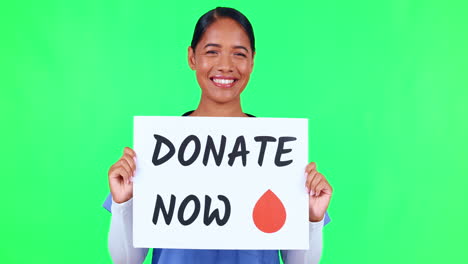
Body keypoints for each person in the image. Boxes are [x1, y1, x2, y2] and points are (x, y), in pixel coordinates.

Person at [103, 7, 333, 264]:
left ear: (252, 61)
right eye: (212, 52)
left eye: (239, 54)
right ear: (192, 57)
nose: (225, 65)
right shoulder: (157, 150)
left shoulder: (277, 153)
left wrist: (312, 218)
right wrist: (123, 203)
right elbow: (126, 260)